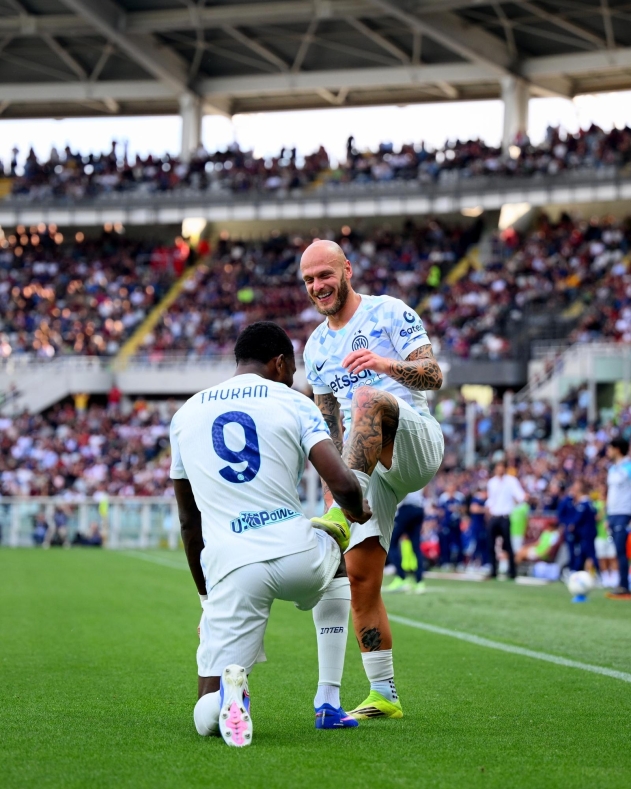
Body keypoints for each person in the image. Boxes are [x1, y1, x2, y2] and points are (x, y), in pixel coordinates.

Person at [170, 322, 372, 748]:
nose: (294, 377)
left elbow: (190, 524)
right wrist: (353, 512)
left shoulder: (185, 415)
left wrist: (208, 598)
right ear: (279, 363)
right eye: (293, 369)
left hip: (232, 567)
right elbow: (343, 483)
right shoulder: (293, 401)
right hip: (297, 552)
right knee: (334, 549)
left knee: (204, 710)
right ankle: (328, 700)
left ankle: (230, 694)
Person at [301, 239, 444, 720]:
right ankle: (383, 692)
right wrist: (331, 492)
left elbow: (433, 374)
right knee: (361, 577)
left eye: (324, 275)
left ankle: (342, 513)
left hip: (413, 440)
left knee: (364, 396)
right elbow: (326, 432)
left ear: (347, 270)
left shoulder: (388, 313)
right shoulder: (316, 346)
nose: (317, 286)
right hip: (365, 471)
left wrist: (385, 365)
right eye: (309, 281)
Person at [486, 462, 526, 579]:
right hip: (494, 516)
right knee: (491, 545)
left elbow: (520, 495)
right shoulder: (492, 482)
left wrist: (520, 500)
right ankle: (493, 570)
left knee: (508, 545)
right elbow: (491, 499)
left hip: (505, 516)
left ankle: (512, 571)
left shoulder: (511, 481)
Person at [383, 490, 426, 594]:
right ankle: (419, 582)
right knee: (416, 547)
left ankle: (401, 578)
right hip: (419, 508)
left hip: (406, 508)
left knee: (391, 543)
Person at [605, 437, 631, 599]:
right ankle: (621, 584)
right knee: (617, 550)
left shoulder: (628, 466)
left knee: (622, 551)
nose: (608, 451)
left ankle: (624, 586)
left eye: (610, 448)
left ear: (617, 449)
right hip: (613, 514)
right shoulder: (612, 469)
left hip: (624, 513)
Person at [437, 480, 465, 569]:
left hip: (456, 523)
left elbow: (464, 510)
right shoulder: (443, 498)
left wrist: (457, 509)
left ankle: (460, 562)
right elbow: (440, 512)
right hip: (446, 523)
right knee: (446, 543)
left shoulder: (459, 497)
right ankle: (446, 562)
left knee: (459, 543)